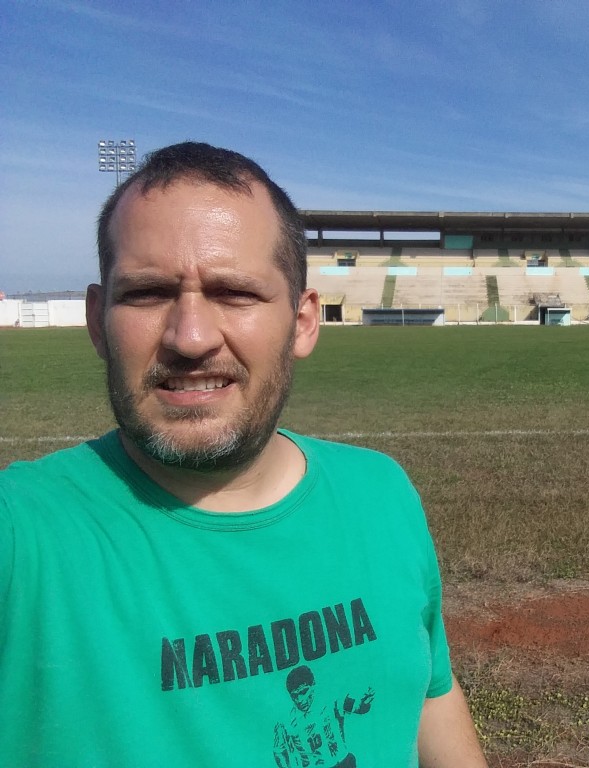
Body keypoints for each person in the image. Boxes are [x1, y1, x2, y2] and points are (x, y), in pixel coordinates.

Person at [0, 142, 487, 767]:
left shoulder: (382, 493)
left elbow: (426, 700)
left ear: (304, 322)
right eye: (147, 293)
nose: (191, 336)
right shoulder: (26, 534)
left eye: (233, 292)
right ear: (97, 321)